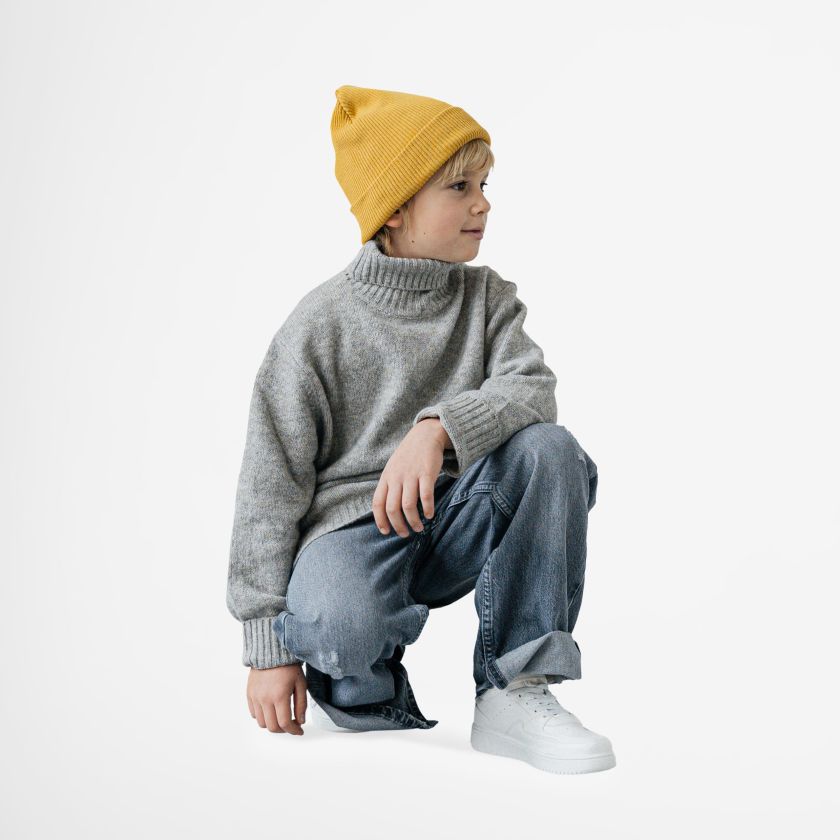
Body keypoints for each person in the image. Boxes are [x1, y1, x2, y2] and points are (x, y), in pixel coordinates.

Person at [226, 84, 616, 774]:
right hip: (354, 530)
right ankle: (364, 689)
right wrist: (268, 650)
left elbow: (533, 389)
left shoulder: (488, 298)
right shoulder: (318, 325)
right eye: (459, 187)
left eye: (484, 185)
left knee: (550, 452)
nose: (482, 204)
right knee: (336, 625)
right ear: (396, 208)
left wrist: (437, 428)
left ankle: (514, 686)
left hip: (461, 511)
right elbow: (269, 486)